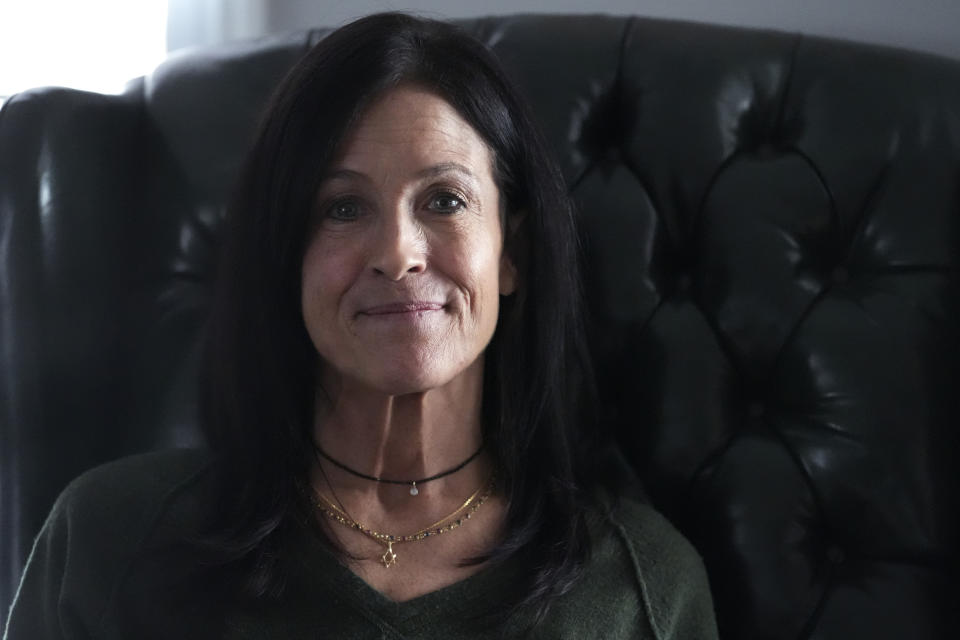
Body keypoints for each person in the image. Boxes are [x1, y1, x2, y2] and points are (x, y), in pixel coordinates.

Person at [4, 12, 717, 639]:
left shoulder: (642, 589)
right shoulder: (105, 541)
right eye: (343, 208)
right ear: (286, 257)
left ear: (512, 256)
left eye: (444, 200)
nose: (399, 254)